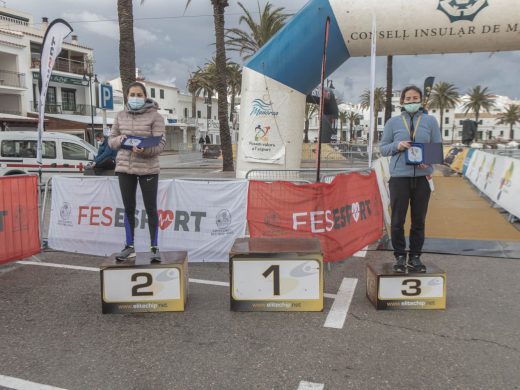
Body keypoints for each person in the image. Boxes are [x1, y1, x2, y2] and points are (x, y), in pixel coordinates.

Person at [379, 85, 441, 273]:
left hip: (422, 178)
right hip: (399, 177)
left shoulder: (430, 121)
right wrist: (398, 145)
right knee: (397, 220)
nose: (412, 101)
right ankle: (399, 256)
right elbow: (382, 149)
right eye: (408, 98)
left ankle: (415, 257)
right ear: (402, 101)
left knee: (418, 220)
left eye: (415, 98)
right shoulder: (393, 122)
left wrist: (427, 163)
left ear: (421, 101)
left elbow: (436, 148)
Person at [108, 81, 166, 262]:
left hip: (148, 169)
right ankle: (129, 246)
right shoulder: (119, 116)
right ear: (127, 96)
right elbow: (111, 141)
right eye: (132, 94)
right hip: (125, 168)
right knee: (128, 209)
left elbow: (161, 144)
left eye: (139, 95)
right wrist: (120, 140)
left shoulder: (156, 117)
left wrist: (145, 150)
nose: (135, 98)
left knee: (151, 209)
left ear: (145, 96)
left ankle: (154, 247)